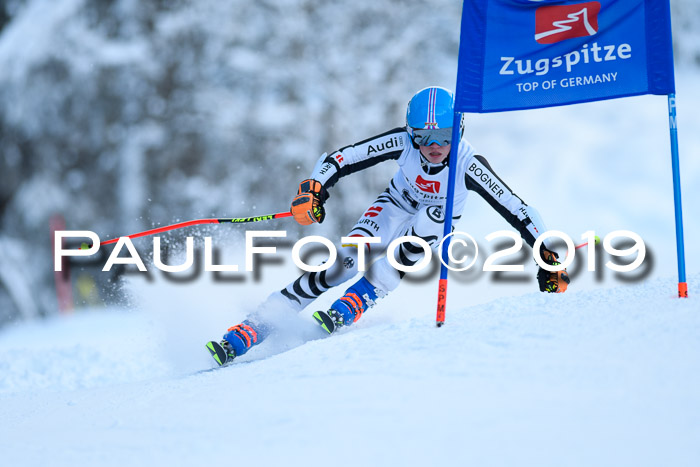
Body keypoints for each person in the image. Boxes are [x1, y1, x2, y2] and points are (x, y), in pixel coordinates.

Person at [210, 86, 569, 365]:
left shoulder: (468, 163)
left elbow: (519, 209)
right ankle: (259, 322)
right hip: (395, 205)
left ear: (458, 128)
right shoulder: (403, 142)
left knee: (425, 226)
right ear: (411, 133)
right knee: (344, 263)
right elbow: (342, 158)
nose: (433, 146)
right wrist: (314, 189)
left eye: (444, 135)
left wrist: (548, 255)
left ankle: (363, 295)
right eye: (423, 137)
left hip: (435, 223)